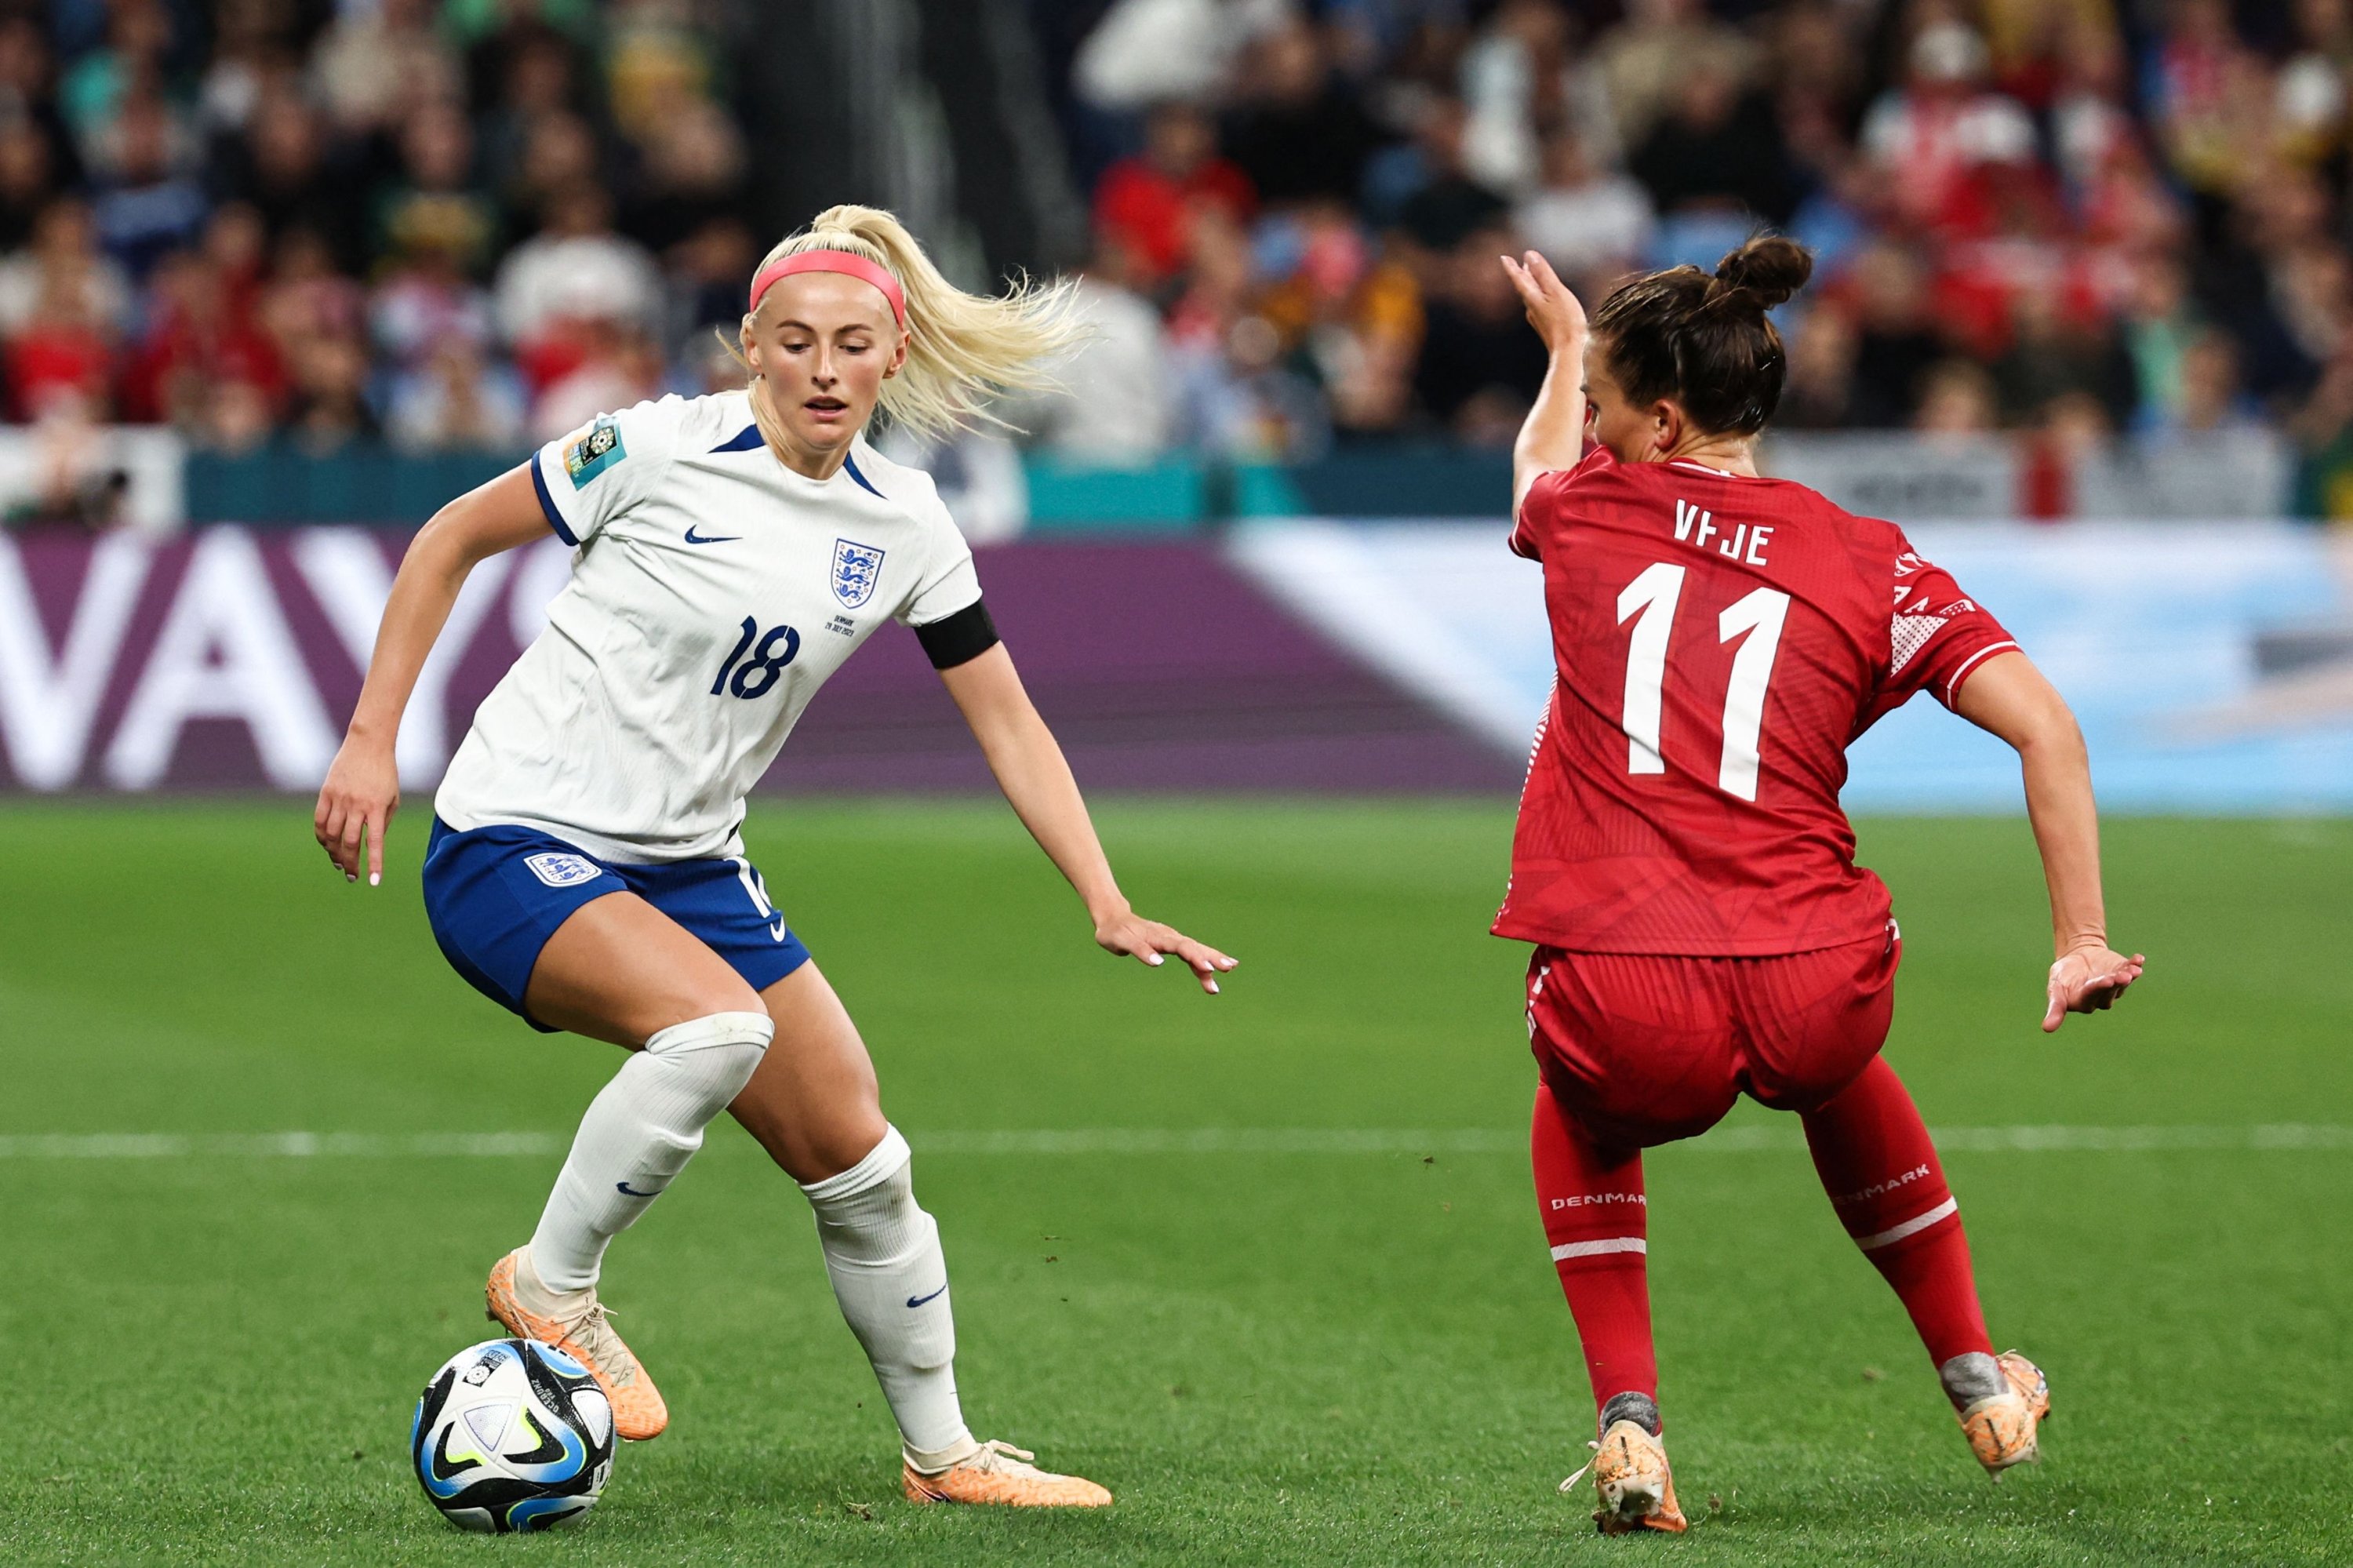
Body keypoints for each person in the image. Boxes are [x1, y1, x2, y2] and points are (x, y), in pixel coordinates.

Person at [313, 204, 1236, 1508]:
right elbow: (449, 538)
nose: (820, 368)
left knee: (865, 1164)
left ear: (889, 357)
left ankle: (943, 1456)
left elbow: (1009, 719)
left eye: (851, 345)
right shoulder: (653, 446)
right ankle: (552, 1284)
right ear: (750, 347)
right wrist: (369, 741)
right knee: (716, 1030)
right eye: (793, 341)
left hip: (690, 866)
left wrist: (1105, 896)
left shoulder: (908, 522)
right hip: (512, 837)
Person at [1493, 236, 2144, 1534]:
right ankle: (1979, 1379)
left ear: (1660, 420)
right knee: (1838, 1074)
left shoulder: (1584, 509)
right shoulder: (1874, 557)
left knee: (1580, 1104)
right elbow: (2049, 730)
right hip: (1816, 982)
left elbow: (1533, 470)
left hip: (1629, 987)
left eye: (1613, 412)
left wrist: (1564, 352)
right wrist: (2079, 936)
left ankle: (1630, 1424)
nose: (1597, 431)